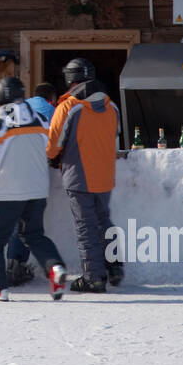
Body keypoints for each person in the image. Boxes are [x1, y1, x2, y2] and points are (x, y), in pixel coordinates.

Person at [0, 77, 68, 301]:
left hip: (7, 190)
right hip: (38, 189)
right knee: (34, 235)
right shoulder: (38, 116)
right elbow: (53, 146)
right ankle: (55, 268)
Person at [46, 57, 123, 293]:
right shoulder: (112, 107)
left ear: (70, 79)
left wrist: (52, 157)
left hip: (78, 175)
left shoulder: (68, 106)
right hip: (105, 175)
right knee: (103, 221)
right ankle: (115, 267)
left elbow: (54, 144)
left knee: (85, 227)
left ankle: (93, 278)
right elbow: (116, 140)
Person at [6, 83, 60, 286]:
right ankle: (18, 266)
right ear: (51, 99)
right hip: (33, 172)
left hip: (9, 171)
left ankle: (10, 264)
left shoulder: (16, 109)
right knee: (28, 223)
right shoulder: (53, 111)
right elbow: (56, 142)